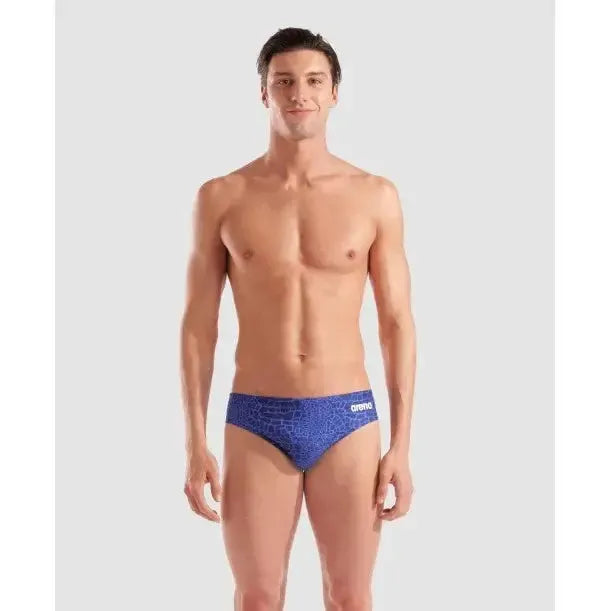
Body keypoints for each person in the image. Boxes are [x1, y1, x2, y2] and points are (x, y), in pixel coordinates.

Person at [180, 26, 417, 611]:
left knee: (350, 596)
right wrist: (194, 442)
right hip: (256, 416)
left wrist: (402, 445)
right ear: (264, 93)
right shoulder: (222, 197)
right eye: (283, 82)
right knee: (257, 597)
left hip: (348, 417)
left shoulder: (374, 195)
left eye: (314, 80)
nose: (299, 94)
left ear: (334, 92)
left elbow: (396, 322)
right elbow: (198, 326)